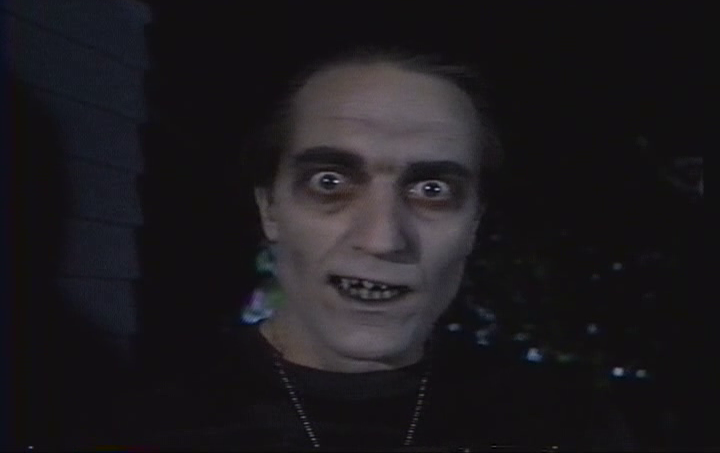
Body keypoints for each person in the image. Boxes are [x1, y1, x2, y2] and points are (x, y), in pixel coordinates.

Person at [109, 46, 634, 452]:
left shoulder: (564, 426)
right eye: (331, 182)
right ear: (270, 209)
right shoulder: (144, 426)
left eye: (432, 190)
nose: (382, 239)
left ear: (474, 223)